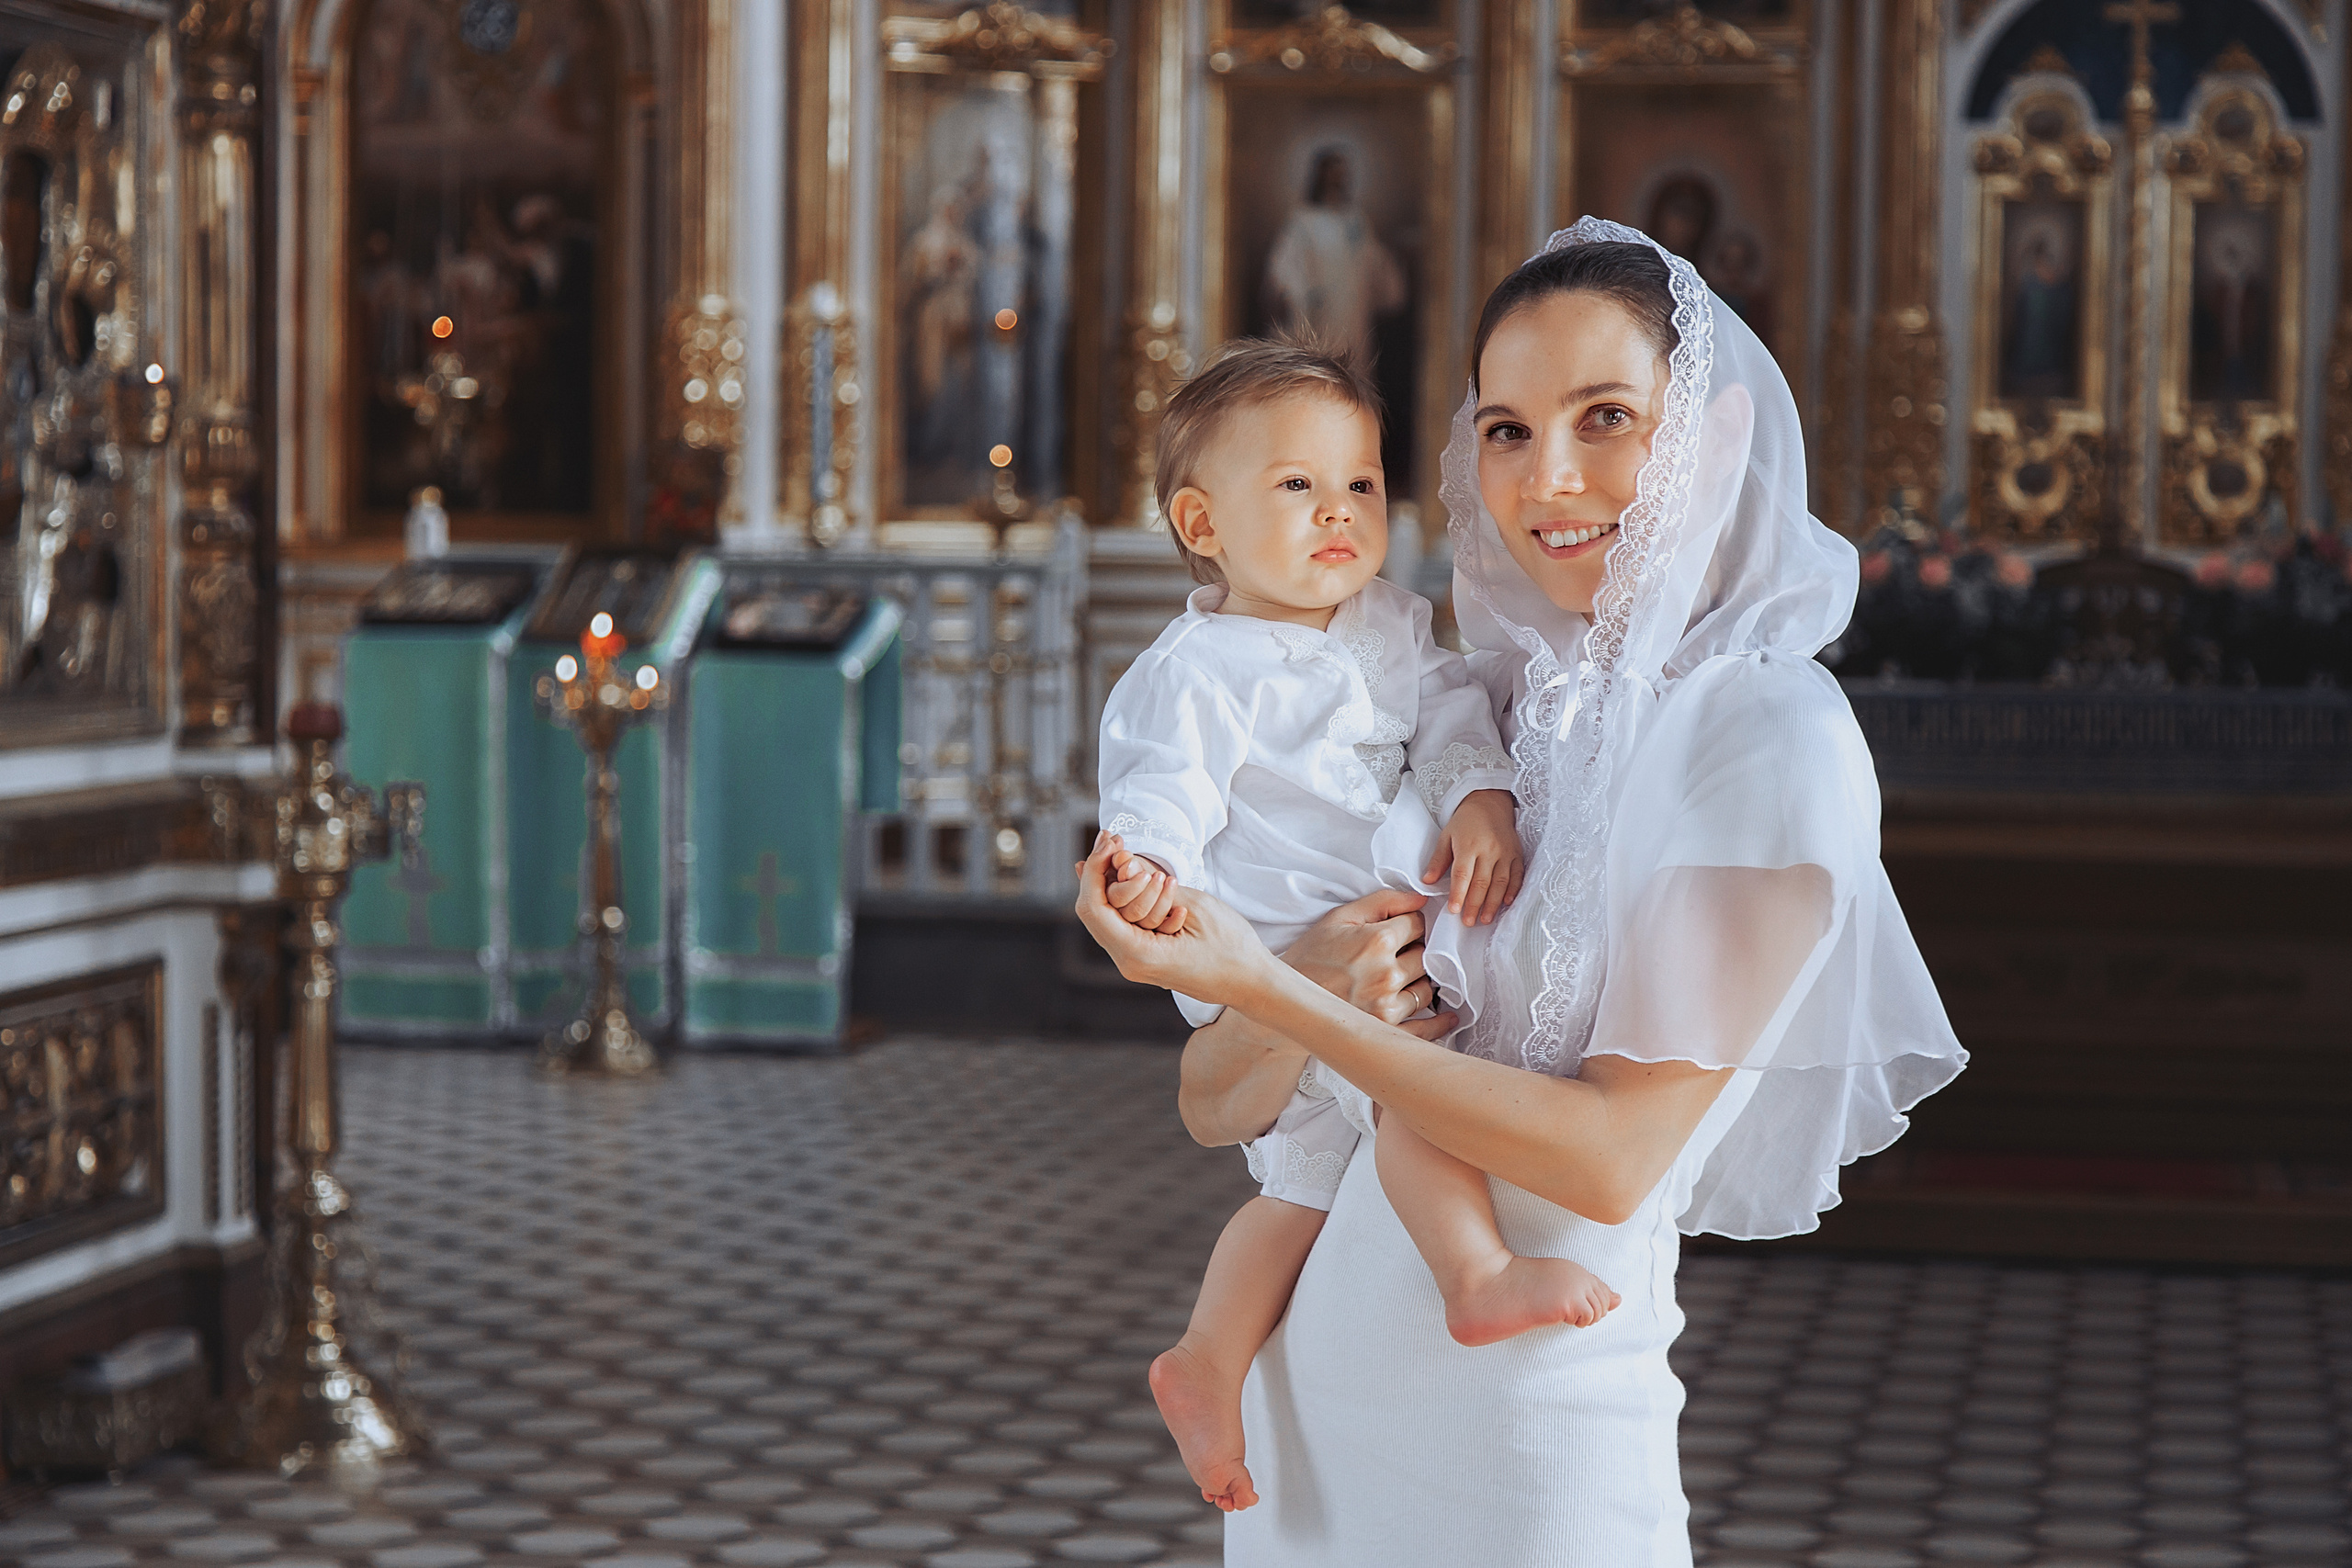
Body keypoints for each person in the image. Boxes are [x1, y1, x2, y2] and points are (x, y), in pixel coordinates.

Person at [1077, 218, 1966, 1565]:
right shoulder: (1483, 706)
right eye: (1505, 427)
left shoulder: (1767, 738)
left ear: (1714, 440)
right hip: (1309, 1421)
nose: (1549, 475)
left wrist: (1266, 984)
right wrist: (1291, 976)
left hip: (1532, 1447)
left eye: (1605, 416)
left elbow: (1611, 1155)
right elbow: (1216, 1101)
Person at [1096, 337, 1618, 1515]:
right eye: (1296, 487)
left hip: (1394, 938)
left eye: (1362, 485)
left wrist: (1480, 795)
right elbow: (1156, 792)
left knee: (1299, 1188)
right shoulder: (1195, 673)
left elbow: (1442, 710)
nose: (1339, 511)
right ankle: (1475, 1273)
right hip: (1285, 955)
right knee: (1406, 1096)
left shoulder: (1384, 618)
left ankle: (1206, 1361)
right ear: (1202, 522)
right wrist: (1146, 870)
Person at [1264, 151, 1406, 372]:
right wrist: (1303, 295)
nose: (1336, 181)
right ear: (1321, 177)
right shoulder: (1303, 221)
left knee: (1353, 367)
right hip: (1318, 313)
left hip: (1352, 314)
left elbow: (1375, 263)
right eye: (1331, 175)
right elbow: (1286, 269)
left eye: (1340, 176)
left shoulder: (1355, 221)